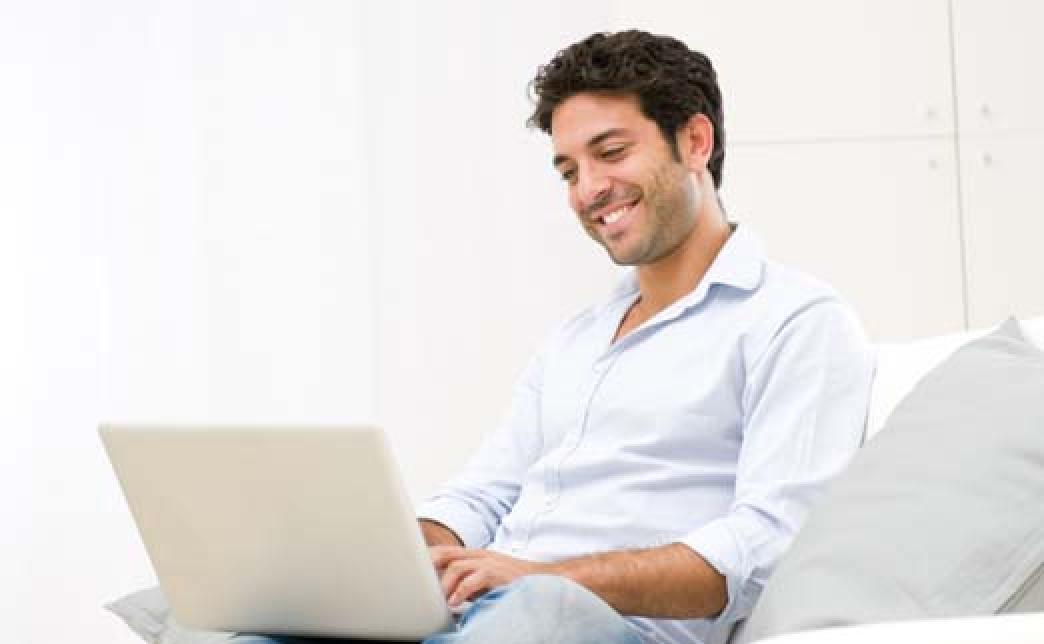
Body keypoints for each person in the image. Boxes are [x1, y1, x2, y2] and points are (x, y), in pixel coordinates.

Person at [235, 29, 874, 644]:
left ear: (695, 141)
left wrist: (546, 578)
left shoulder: (794, 321)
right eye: (569, 171)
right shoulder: (577, 339)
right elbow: (483, 494)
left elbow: (766, 544)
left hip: (598, 626)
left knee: (543, 615)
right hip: (482, 615)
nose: (589, 190)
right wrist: (399, 559)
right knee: (238, 624)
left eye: (611, 153)